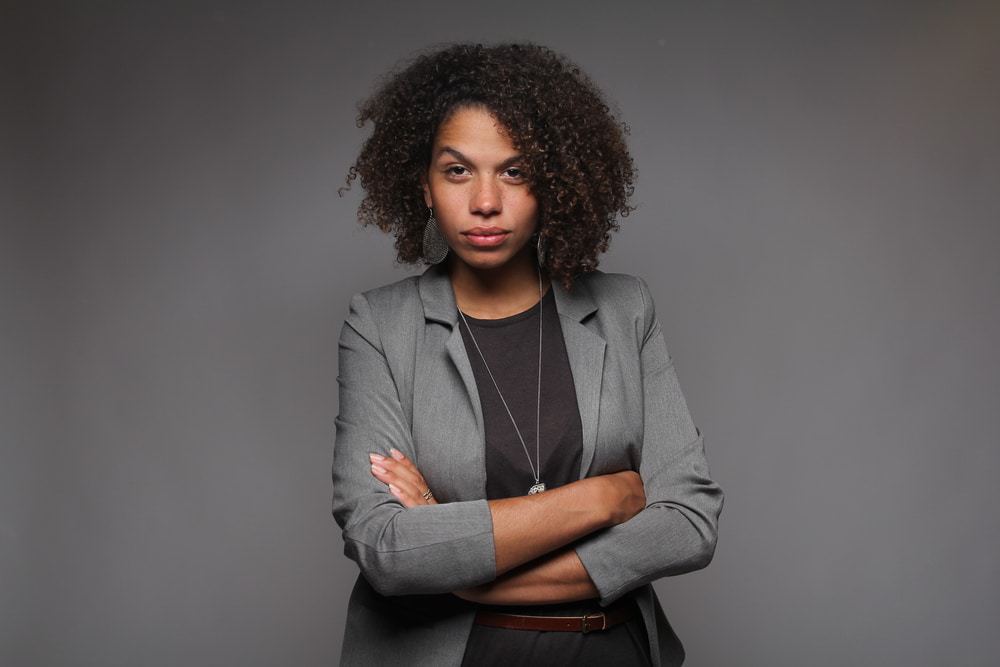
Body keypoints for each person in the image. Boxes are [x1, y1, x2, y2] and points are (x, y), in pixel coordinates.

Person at [331, 42, 724, 667]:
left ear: (555, 186)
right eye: (457, 171)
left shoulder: (625, 310)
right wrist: (601, 499)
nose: (485, 201)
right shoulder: (381, 325)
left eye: (515, 172)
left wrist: (466, 569)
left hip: (613, 650)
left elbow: (687, 522)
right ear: (425, 187)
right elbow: (386, 546)